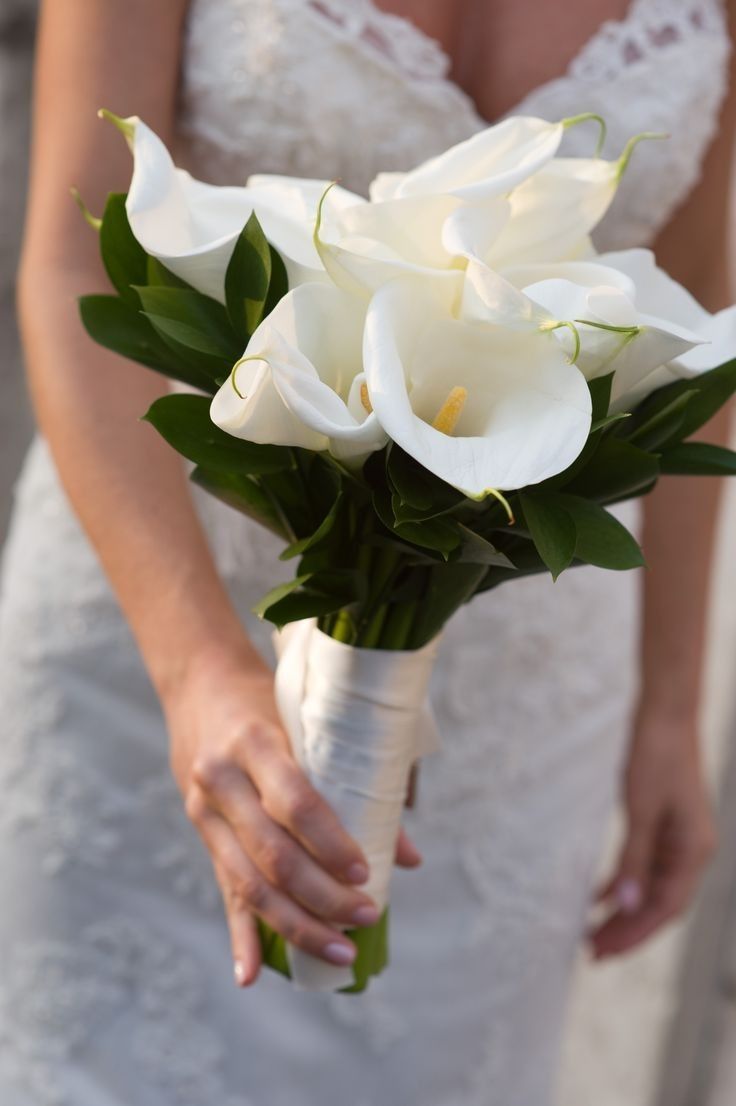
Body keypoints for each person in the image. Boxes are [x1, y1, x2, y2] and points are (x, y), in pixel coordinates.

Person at [1, 1, 734, 1103]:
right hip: (159, 631)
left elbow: (689, 317)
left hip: (516, 702)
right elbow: (75, 264)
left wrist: (671, 706)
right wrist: (196, 667)